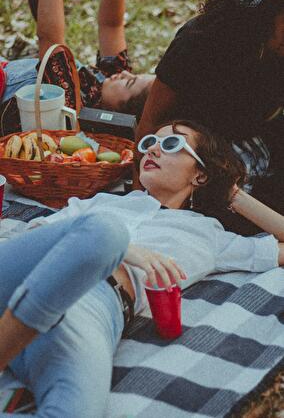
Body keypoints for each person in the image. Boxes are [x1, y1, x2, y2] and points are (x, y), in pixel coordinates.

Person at [0, 119, 283, 417]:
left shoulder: (210, 235)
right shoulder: (102, 203)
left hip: (94, 309)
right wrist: (124, 251)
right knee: (105, 233)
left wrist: (233, 194)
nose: (153, 150)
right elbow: (36, 238)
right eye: (149, 143)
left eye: (172, 144)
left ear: (200, 174)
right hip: (29, 279)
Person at [135, 0, 284, 214]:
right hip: (198, 154)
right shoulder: (197, 44)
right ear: (262, 16)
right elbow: (151, 121)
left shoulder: (275, 49)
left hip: (261, 144)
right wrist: (138, 204)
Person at [0, 0, 154, 136]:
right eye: (134, 75)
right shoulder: (108, 84)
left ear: (121, 118)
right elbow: (111, 25)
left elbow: (50, 39)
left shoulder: (72, 104)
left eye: (130, 83)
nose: (126, 74)